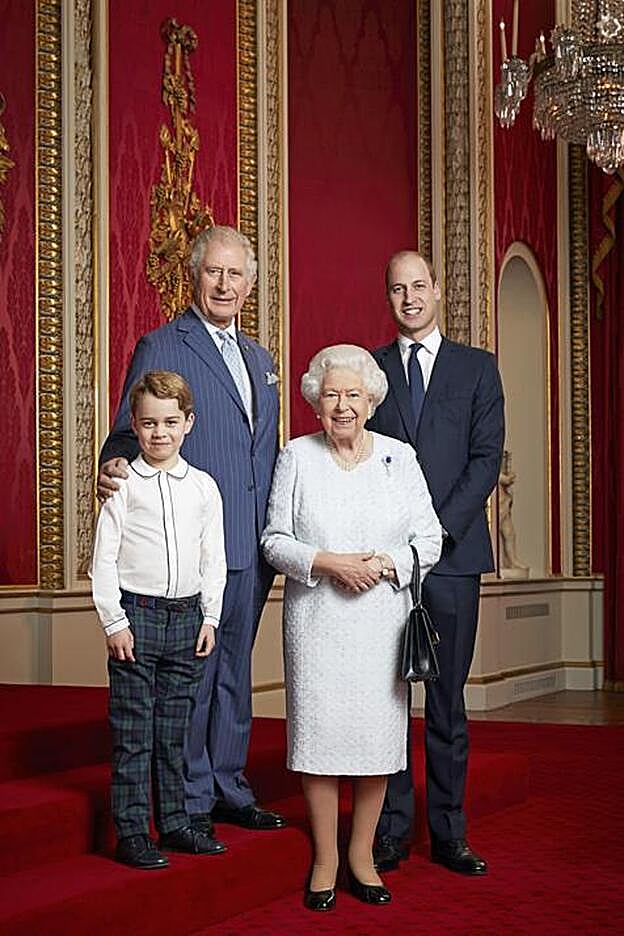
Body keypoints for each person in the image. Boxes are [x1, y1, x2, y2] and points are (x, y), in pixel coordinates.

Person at [97, 226, 285, 841]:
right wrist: (115, 463)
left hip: (253, 545)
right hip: (193, 543)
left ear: (250, 284)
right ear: (195, 276)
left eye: (237, 275)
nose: (226, 285)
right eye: (215, 273)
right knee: (194, 680)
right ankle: (189, 798)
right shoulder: (163, 344)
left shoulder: (261, 359)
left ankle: (230, 785)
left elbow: (263, 452)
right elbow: (129, 429)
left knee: (235, 671)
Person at [261, 344, 442, 911]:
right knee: (318, 738)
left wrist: (384, 564)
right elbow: (273, 540)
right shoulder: (297, 455)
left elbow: (429, 539)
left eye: (354, 395)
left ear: (371, 400)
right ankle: (325, 857)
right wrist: (328, 563)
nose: (343, 406)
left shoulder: (400, 457)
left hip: (380, 621)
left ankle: (361, 854)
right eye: (332, 394)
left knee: (375, 741)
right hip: (316, 619)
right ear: (316, 400)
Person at [367, 250, 505, 875]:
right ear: (389, 297)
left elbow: (485, 461)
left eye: (418, 286)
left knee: (446, 700)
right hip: (388, 564)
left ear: (438, 291)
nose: (409, 298)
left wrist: (436, 532)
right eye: (398, 289)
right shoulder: (367, 371)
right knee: (391, 700)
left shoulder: (478, 369)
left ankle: (448, 832)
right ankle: (392, 828)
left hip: (451, 559)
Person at [90, 371, 227, 869]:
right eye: (149, 423)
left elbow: (214, 557)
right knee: (133, 730)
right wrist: (113, 621)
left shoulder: (204, 488)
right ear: (135, 424)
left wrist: (209, 615)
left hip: (187, 619)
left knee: (174, 731)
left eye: (170, 422)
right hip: (137, 617)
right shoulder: (123, 485)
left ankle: (174, 823)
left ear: (188, 423)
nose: (159, 433)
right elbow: (102, 560)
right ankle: (131, 831)